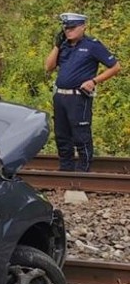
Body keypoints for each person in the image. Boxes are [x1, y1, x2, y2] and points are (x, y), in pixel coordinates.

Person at [44, 12, 122, 172]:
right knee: (62, 135)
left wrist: (94, 81)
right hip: (60, 96)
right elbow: (49, 67)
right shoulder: (64, 45)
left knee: (80, 133)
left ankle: (83, 170)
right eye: (66, 28)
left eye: (72, 28)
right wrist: (57, 46)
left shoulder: (92, 45)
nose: (68, 31)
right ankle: (66, 168)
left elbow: (115, 67)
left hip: (79, 97)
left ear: (83, 27)